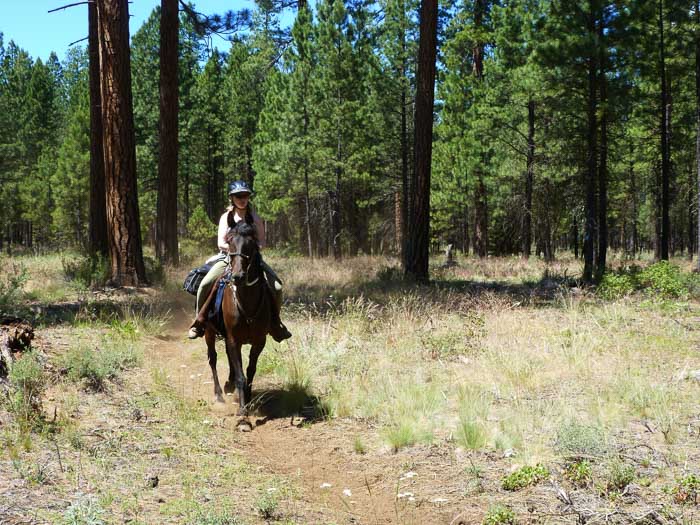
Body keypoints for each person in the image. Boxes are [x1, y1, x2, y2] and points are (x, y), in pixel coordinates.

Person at [187, 180, 292, 342]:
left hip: (252, 260)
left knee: (277, 287)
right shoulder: (226, 217)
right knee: (205, 284)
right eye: (238, 196)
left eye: (245, 195)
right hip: (228, 258)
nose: (242, 199)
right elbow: (220, 242)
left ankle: (275, 323)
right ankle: (198, 322)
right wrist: (234, 251)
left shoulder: (255, 218)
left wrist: (250, 249)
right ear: (232, 198)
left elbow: (262, 241)